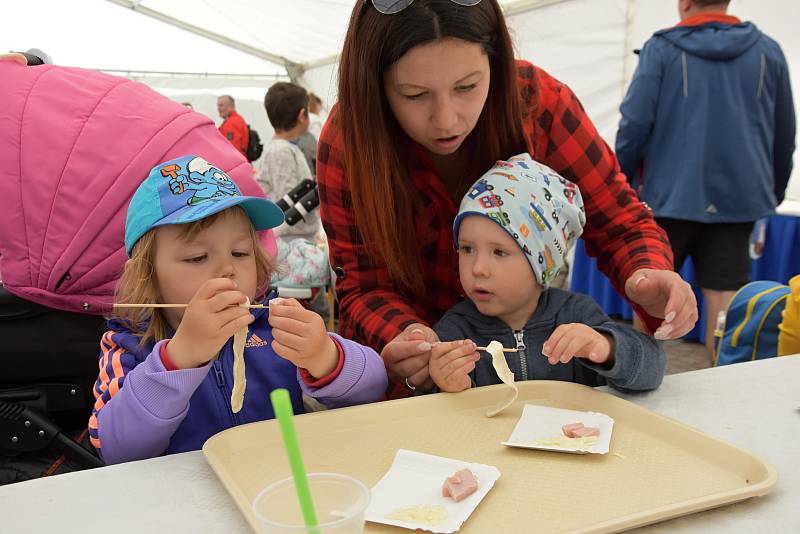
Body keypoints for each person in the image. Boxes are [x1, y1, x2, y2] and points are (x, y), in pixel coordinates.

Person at [316, 0, 696, 397]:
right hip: (418, 394)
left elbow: (620, 222)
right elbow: (364, 286)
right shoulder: (350, 143)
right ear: (375, 85)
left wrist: (645, 275)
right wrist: (412, 339)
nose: (446, 119)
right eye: (414, 94)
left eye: (467, 86)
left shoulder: (538, 105)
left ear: (495, 62)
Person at [88, 156, 387, 464]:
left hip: (282, 485)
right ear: (147, 275)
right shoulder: (129, 343)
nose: (228, 268)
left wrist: (324, 355)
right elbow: (115, 448)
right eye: (198, 256)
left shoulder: (272, 323)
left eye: (240, 253)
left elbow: (373, 386)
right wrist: (178, 359)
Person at [615, 0, 796, 359]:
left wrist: (619, 184)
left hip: (668, 197)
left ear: (684, 3)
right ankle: (721, 402)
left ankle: (640, 395)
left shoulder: (661, 49)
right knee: (726, 311)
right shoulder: (767, 51)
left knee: (653, 299)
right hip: (738, 200)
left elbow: (634, 124)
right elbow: (785, 131)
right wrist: (771, 190)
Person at [429, 154, 665, 393]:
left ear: (542, 263)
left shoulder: (577, 314)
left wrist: (605, 347)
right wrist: (445, 387)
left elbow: (652, 371)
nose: (477, 268)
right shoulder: (454, 331)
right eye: (467, 249)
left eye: (499, 252)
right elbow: (427, 416)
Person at [258, 82, 321, 242]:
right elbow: (288, 202)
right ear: (302, 116)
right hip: (292, 240)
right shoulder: (281, 152)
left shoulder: (285, 148)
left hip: (297, 237)